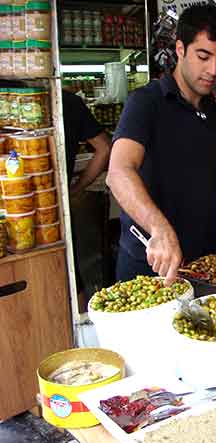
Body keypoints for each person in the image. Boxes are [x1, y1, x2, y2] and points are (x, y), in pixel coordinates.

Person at [107, 4, 216, 284]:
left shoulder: (210, 107)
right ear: (180, 49)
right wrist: (159, 228)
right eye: (203, 56)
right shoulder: (146, 102)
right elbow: (119, 172)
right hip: (152, 266)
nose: (213, 70)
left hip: (203, 260)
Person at [61, 90, 112, 310]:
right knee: (69, 275)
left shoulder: (65, 101)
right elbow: (105, 147)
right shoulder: (67, 100)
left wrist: (76, 188)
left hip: (47, 208)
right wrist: (77, 188)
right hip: (55, 207)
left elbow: (105, 148)